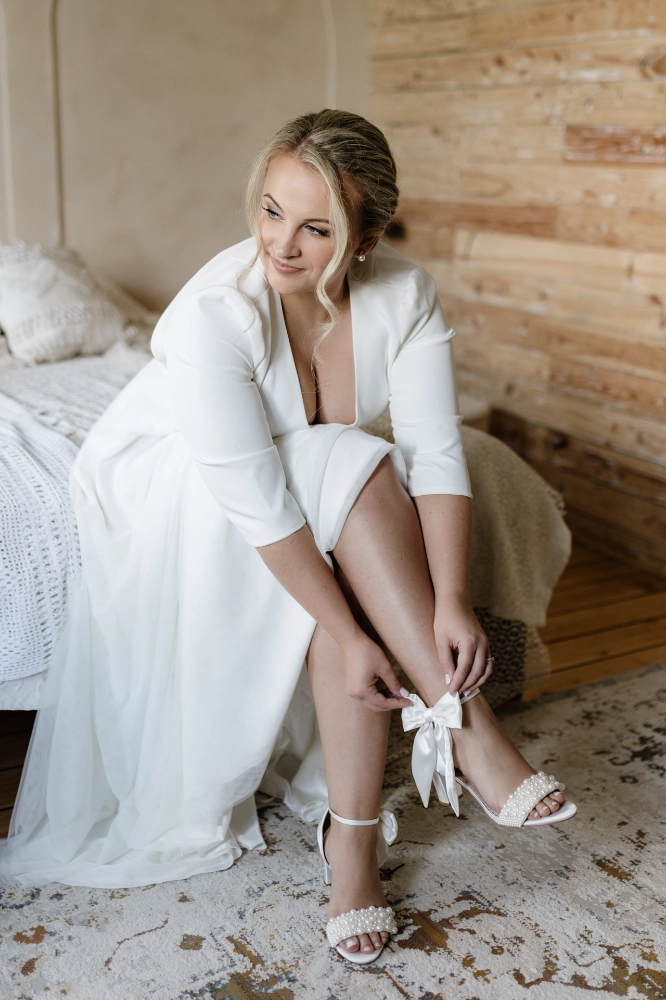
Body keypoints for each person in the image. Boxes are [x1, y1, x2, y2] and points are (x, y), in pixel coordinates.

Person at [0, 110, 574, 965]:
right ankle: (466, 728)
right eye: (272, 211)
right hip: (178, 489)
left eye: (318, 227)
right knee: (354, 468)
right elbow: (259, 501)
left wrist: (453, 600)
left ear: (367, 238)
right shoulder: (213, 315)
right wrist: (350, 632)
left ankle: (353, 847)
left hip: (312, 488)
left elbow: (437, 452)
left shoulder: (405, 295)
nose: (282, 244)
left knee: (355, 472)